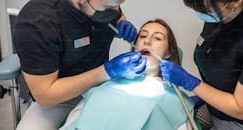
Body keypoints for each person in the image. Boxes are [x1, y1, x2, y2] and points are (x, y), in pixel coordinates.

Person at [14, 0, 146, 129]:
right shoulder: (37, 22)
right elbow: (45, 94)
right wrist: (106, 71)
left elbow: (115, 12)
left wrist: (121, 20)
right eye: (107, 10)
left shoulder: (104, 5)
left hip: (102, 88)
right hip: (59, 97)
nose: (113, 13)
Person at [159, 0, 243, 129]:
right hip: (214, 110)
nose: (199, 13)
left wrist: (191, 83)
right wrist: (205, 96)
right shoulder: (220, 16)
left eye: (204, 7)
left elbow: (241, 109)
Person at [58, 19, 194, 130]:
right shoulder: (108, 83)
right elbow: (76, 120)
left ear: (168, 53)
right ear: (135, 46)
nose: (147, 41)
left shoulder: (175, 101)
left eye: (157, 38)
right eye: (143, 36)